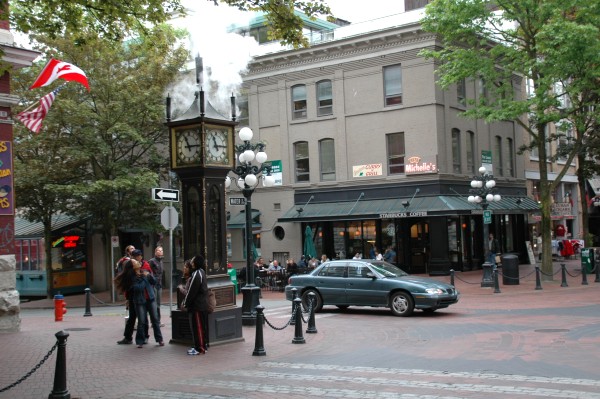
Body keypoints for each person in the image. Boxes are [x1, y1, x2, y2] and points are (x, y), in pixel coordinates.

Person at [131, 259, 164, 348]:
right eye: (135, 262)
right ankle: (140, 341)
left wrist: (149, 275)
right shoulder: (132, 276)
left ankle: (159, 339)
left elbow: (154, 281)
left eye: (138, 262)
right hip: (140, 301)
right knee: (141, 321)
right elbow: (138, 288)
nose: (138, 262)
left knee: (155, 319)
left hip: (151, 298)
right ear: (133, 266)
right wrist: (145, 278)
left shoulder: (144, 272)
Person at [182, 255, 209, 356]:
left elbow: (191, 292)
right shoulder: (201, 272)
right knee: (201, 327)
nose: (191, 263)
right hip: (201, 305)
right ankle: (202, 345)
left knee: (198, 327)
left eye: (193, 261)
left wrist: (185, 303)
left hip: (197, 306)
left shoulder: (197, 274)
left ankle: (199, 348)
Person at [114, 259, 138, 345]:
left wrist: (128, 299)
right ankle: (135, 337)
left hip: (132, 299)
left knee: (132, 318)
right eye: (135, 262)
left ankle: (128, 337)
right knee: (137, 318)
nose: (137, 263)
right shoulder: (134, 275)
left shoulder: (129, 275)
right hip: (136, 299)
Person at [148, 246, 165, 326]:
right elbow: (149, 273)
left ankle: (157, 321)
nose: (160, 252)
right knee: (153, 303)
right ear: (155, 252)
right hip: (153, 285)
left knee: (158, 303)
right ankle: (154, 321)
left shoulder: (161, 261)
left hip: (159, 285)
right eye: (158, 250)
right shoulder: (151, 261)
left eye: (161, 250)